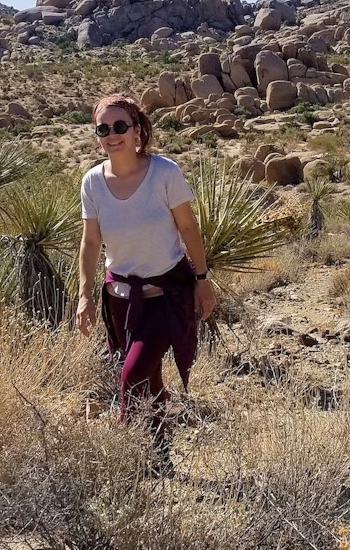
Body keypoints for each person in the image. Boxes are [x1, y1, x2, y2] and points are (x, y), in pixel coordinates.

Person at [76, 94, 216, 445]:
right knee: (149, 375)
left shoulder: (164, 173)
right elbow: (91, 242)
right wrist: (84, 295)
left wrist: (202, 279)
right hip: (119, 299)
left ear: (137, 131)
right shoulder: (92, 182)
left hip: (164, 296)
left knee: (132, 375)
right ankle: (159, 449)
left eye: (120, 126)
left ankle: (129, 450)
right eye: (103, 128)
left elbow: (188, 228)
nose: (113, 134)